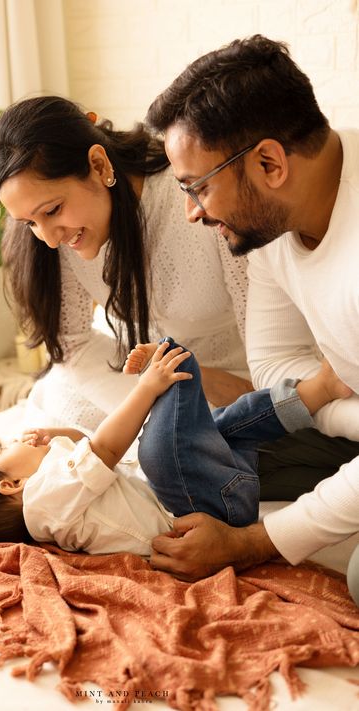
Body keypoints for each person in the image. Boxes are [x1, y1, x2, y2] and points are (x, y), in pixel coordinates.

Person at [145, 34, 359, 603]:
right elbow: (270, 363)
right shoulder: (272, 225)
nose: (192, 212)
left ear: (269, 162)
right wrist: (343, 414)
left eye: (198, 187)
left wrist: (251, 542)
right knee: (197, 457)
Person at [0, 95, 252, 440]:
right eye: (29, 223)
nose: (49, 240)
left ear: (99, 165)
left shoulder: (194, 198)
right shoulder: (58, 239)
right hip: (136, 378)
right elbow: (72, 345)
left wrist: (186, 380)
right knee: (47, 435)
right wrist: (145, 397)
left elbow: (267, 351)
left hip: (230, 384)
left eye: (52, 210)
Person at [0, 338, 349, 554]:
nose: (12, 438)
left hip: (209, 492)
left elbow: (87, 447)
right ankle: (175, 368)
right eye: (0, 449)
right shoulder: (43, 506)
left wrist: (57, 436)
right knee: (156, 448)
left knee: (228, 422)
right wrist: (146, 390)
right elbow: (103, 450)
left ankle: (317, 390)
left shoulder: (57, 498)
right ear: (10, 485)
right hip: (198, 511)